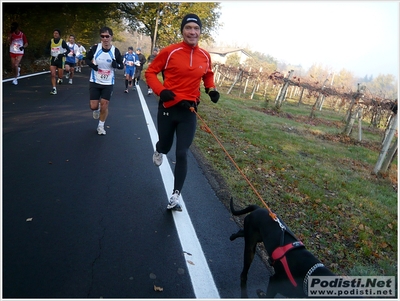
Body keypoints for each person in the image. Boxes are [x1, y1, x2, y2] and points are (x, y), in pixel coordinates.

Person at [145, 13, 220, 211]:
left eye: (196, 28)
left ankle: (175, 195)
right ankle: (159, 149)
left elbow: (208, 74)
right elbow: (150, 72)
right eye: (189, 28)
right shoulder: (170, 51)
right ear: (183, 31)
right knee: (166, 145)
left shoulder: (205, 55)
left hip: (190, 110)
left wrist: (211, 89)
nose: (193, 32)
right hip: (169, 108)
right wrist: (161, 91)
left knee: (182, 152)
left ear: (200, 32)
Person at [85, 26, 124, 135]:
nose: (105, 39)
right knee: (93, 106)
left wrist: (116, 65)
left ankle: (101, 126)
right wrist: (93, 66)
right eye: (103, 36)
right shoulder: (95, 48)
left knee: (105, 104)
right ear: (100, 38)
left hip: (108, 82)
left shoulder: (115, 51)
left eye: (107, 36)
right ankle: (96, 109)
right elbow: (86, 59)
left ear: (111, 37)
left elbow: (121, 65)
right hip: (95, 81)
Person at [45, 29, 70, 95]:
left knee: (60, 74)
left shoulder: (62, 41)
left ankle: (60, 78)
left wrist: (63, 54)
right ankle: (54, 89)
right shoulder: (51, 41)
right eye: (54, 33)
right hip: (53, 59)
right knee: (52, 74)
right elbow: (46, 48)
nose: (55, 34)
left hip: (60, 59)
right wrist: (47, 51)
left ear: (59, 35)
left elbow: (68, 50)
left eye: (56, 33)